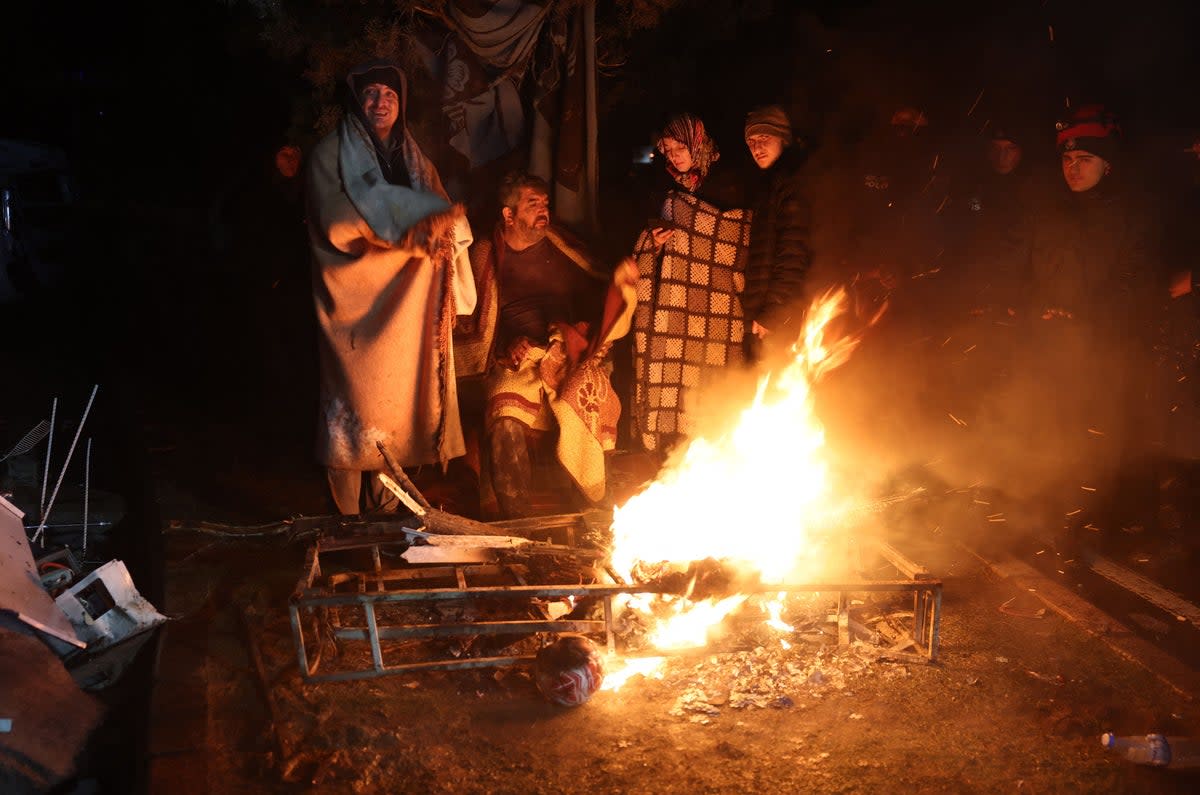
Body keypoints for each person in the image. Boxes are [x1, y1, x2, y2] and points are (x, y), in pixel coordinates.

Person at [305, 61, 477, 515]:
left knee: (394, 412)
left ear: (401, 105)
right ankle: (344, 522)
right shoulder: (330, 153)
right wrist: (406, 231)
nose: (380, 103)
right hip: (354, 302)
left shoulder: (416, 160)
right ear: (357, 102)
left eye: (390, 95)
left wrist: (437, 232)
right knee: (351, 413)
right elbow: (335, 221)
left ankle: (383, 516)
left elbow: (441, 214)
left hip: (406, 306)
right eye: (371, 94)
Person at [1015, 105, 1162, 533]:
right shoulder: (1048, 213)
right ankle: (1058, 510)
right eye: (1067, 160)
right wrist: (1035, 307)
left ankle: (1116, 520)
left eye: (1085, 160)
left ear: (1107, 164)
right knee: (1054, 429)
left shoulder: (1131, 217)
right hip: (1051, 343)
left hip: (1108, 346)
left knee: (1105, 434)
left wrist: (1085, 313)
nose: (1073, 169)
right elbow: (1023, 272)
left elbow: (1140, 283)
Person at [464, 171, 637, 518]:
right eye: (533, 205)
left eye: (545, 204)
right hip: (516, 358)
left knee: (586, 394)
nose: (544, 211)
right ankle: (519, 522)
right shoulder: (487, 252)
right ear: (509, 215)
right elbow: (475, 317)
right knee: (505, 411)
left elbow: (602, 285)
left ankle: (594, 511)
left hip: (567, 351)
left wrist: (584, 332)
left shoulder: (560, 244)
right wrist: (505, 347)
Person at [630, 113, 752, 454]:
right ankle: (671, 453)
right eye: (667, 150)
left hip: (719, 304)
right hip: (675, 299)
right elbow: (650, 234)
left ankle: (717, 448)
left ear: (697, 144)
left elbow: (737, 236)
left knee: (712, 374)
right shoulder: (663, 188)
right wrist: (652, 240)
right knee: (673, 374)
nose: (674, 156)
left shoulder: (731, 182)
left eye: (680, 147)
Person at [742, 104, 812, 365]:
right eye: (751, 141)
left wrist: (774, 310)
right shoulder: (767, 186)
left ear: (783, 138)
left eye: (764, 138)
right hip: (764, 313)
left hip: (779, 317)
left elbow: (794, 251)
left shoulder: (792, 185)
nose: (757, 147)